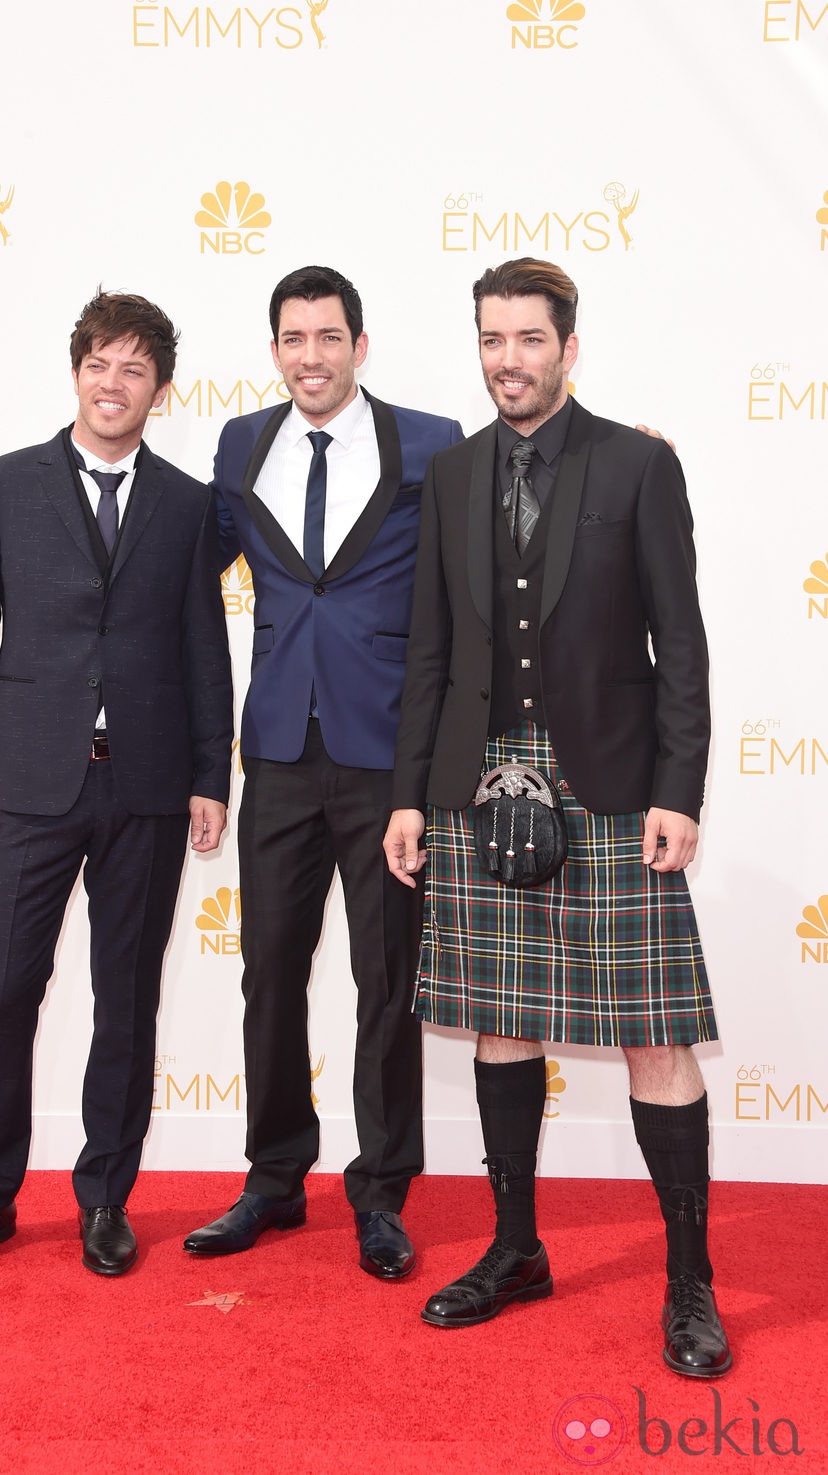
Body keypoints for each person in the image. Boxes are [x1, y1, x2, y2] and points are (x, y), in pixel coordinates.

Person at [383, 258, 730, 1377]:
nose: (506, 360)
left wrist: (677, 786)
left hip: (613, 779)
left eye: (527, 340)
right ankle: (516, 1246)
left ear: (566, 348)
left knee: (651, 1032)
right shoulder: (450, 473)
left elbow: (677, 640)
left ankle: (688, 1279)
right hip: (482, 779)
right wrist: (410, 792)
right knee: (498, 1016)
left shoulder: (636, 464)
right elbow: (430, 649)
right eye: (490, 339)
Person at [0, 290, 233, 1278]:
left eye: (134, 368)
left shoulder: (187, 505)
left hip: (143, 787)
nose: (114, 383)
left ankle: (105, 1196)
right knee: (5, 992)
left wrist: (206, 772)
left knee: (126, 999)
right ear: (76, 370)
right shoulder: (5, 485)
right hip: (30, 786)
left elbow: (202, 648)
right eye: (100, 362)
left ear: (158, 388)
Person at [183, 266, 463, 1278]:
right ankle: (273, 1174)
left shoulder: (430, 442)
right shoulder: (238, 442)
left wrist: (627, 464)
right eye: (293, 338)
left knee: (385, 981)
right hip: (277, 754)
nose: (311, 355)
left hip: (389, 759)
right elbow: (189, 567)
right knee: (269, 972)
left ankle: (380, 1188)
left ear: (359, 344)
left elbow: (492, 539)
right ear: (273, 350)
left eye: (328, 336)